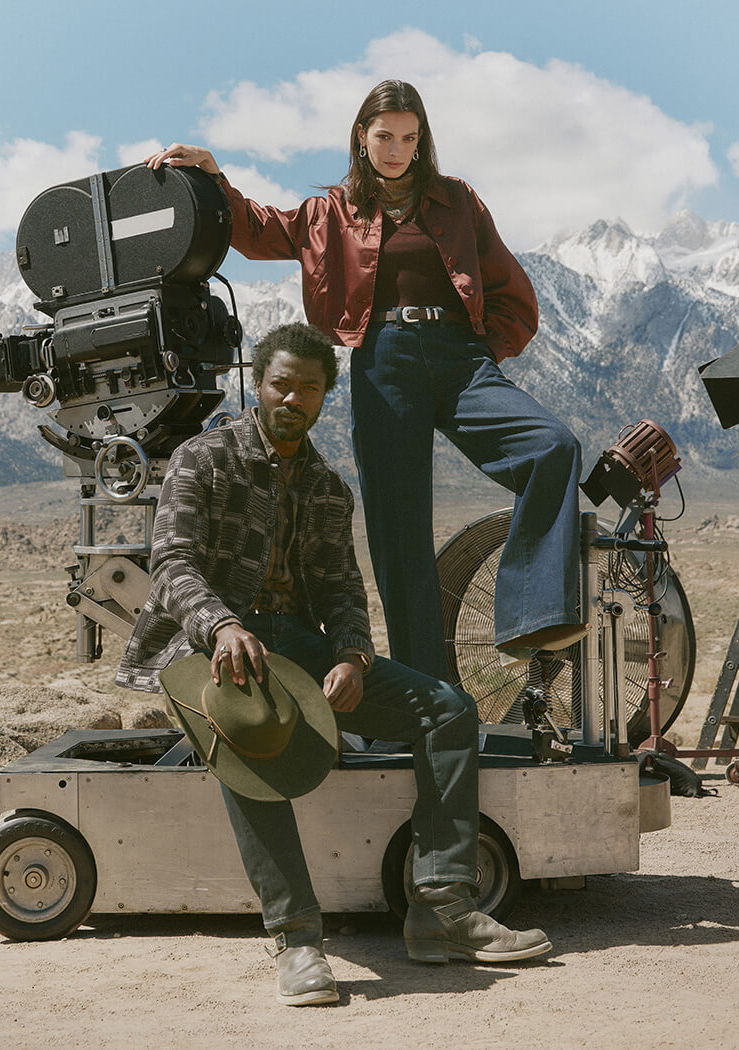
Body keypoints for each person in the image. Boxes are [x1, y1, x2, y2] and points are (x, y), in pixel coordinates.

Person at [117, 322, 551, 1007]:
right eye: (281, 383)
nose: (293, 397)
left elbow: (342, 589)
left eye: (309, 387)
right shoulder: (202, 459)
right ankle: (296, 939)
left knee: (447, 711)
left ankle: (441, 906)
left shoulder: (325, 486)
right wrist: (222, 623)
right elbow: (171, 565)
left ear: (325, 397)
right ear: (258, 384)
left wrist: (351, 655)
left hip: (298, 646)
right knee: (250, 732)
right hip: (204, 647)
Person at [145, 79, 586, 681]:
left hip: (460, 358)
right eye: (385, 136)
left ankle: (531, 615)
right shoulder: (331, 210)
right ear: (361, 136)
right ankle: (434, 701)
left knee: (553, 446)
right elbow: (257, 231)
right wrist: (216, 178)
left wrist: (480, 351)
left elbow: (511, 289)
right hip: (383, 361)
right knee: (398, 531)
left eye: (410, 137)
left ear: (422, 139)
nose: (397, 149)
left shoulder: (458, 201)